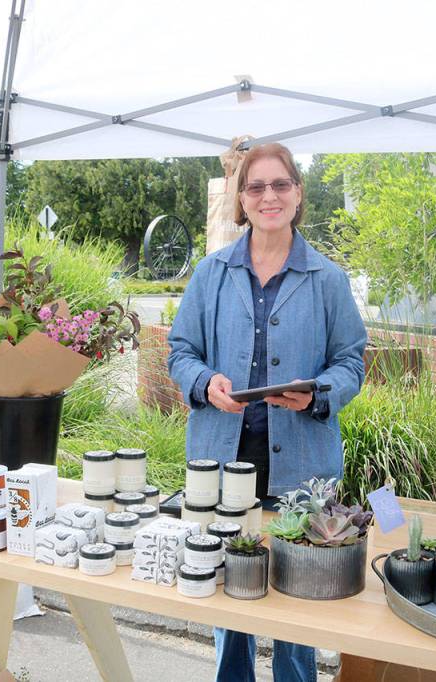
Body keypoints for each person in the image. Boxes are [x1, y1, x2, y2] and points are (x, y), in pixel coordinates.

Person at [168, 143, 367, 682]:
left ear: (298, 195)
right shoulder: (211, 274)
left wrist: (319, 393)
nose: (268, 196)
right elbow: (180, 351)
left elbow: (351, 361)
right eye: (256, 187)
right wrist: (206, 383)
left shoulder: (327, 279)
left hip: (301, 465)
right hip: (221, 460)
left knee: (294, 604)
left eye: (280, 185)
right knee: (227, 597)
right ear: (242, 199)